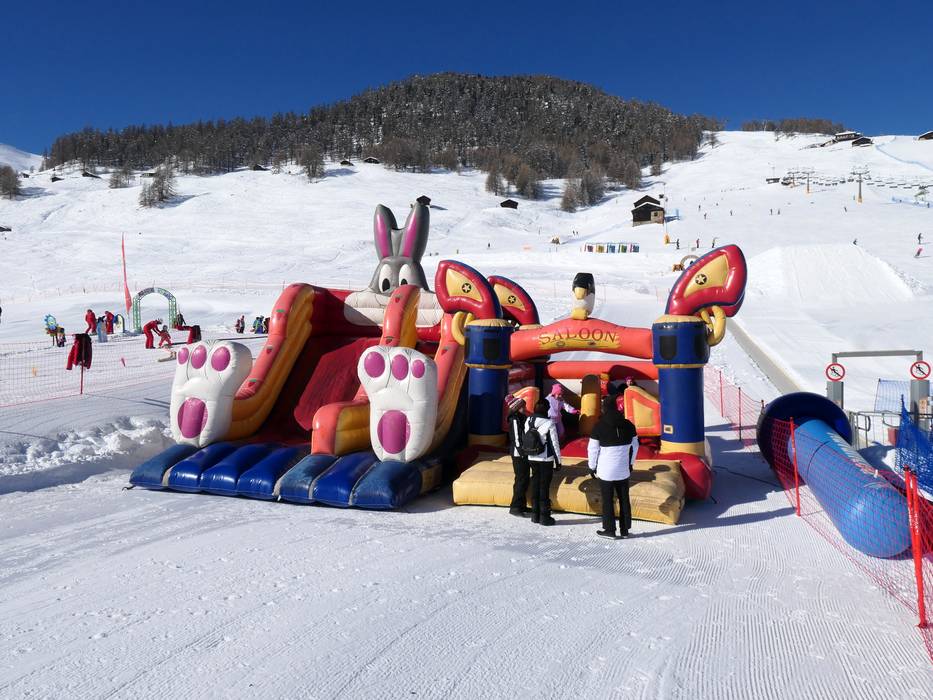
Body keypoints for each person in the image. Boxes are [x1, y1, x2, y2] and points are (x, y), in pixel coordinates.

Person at [588, 396, 639, 539]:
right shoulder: (629, 425)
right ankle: (625, 529)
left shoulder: (599, 426)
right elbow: (635, 446)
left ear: (604, 408)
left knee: (607, 500)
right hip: (623, 469)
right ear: (616, 407)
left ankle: (610, 530)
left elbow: (592, 449)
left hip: (605, 470)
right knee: (624, 498)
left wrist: (592, 466)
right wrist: (631, 463)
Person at [522, 399, 562, 525]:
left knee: (535, 484)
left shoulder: (528, 420)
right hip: (545, 459)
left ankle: (535, 515)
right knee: (544, 486)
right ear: (546, 409)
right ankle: (544, 517)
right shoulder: (549, 423)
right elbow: (554, 443)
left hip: (531, 456)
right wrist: (558, 461)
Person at [506, 395, 530, 516]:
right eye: (522, 406)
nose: (524, 408)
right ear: (516, 408)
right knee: (521, 479)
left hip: (522, 452)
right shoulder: (514, 419)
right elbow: (516, 438)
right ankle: (515, 507)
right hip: (518, 454)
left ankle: (522, 505)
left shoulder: (521, 417)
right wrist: (522, 453)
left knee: (524, 478)